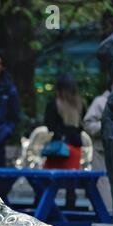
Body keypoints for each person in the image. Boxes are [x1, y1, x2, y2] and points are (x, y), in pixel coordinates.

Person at [43, 73, 84, 209]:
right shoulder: (79, 104)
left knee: (48, 180)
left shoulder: (54, 104)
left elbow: (49, 125)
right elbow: (81, 126)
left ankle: (46, 207)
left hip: (59, 148)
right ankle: (70, 206)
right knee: (70, 183)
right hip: (75, 147)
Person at [83, 89, 113, 213]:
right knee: (102, 183)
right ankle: (104, 214)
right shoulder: (100, 101)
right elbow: (88, 124)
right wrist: (107, 126)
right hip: (102, 152)